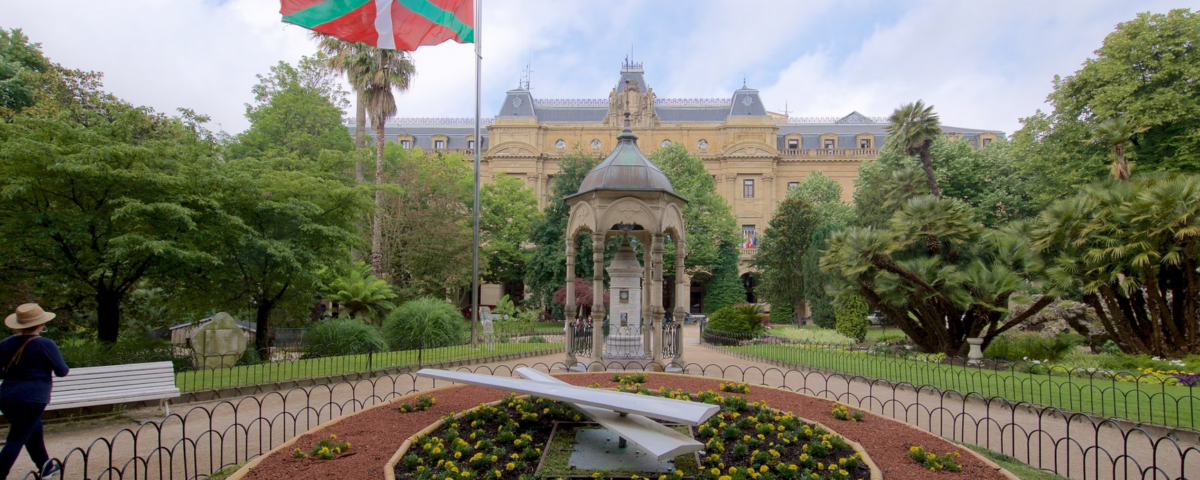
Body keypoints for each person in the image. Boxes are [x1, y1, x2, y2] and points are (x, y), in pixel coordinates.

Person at [0, 303, 69, 479]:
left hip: (6, 396)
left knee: (32, 430)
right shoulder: (45, 344)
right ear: (41, 324)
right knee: (16, 438)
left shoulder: (5, 343)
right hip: (33, 398)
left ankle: (46, 467)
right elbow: (62, 371)